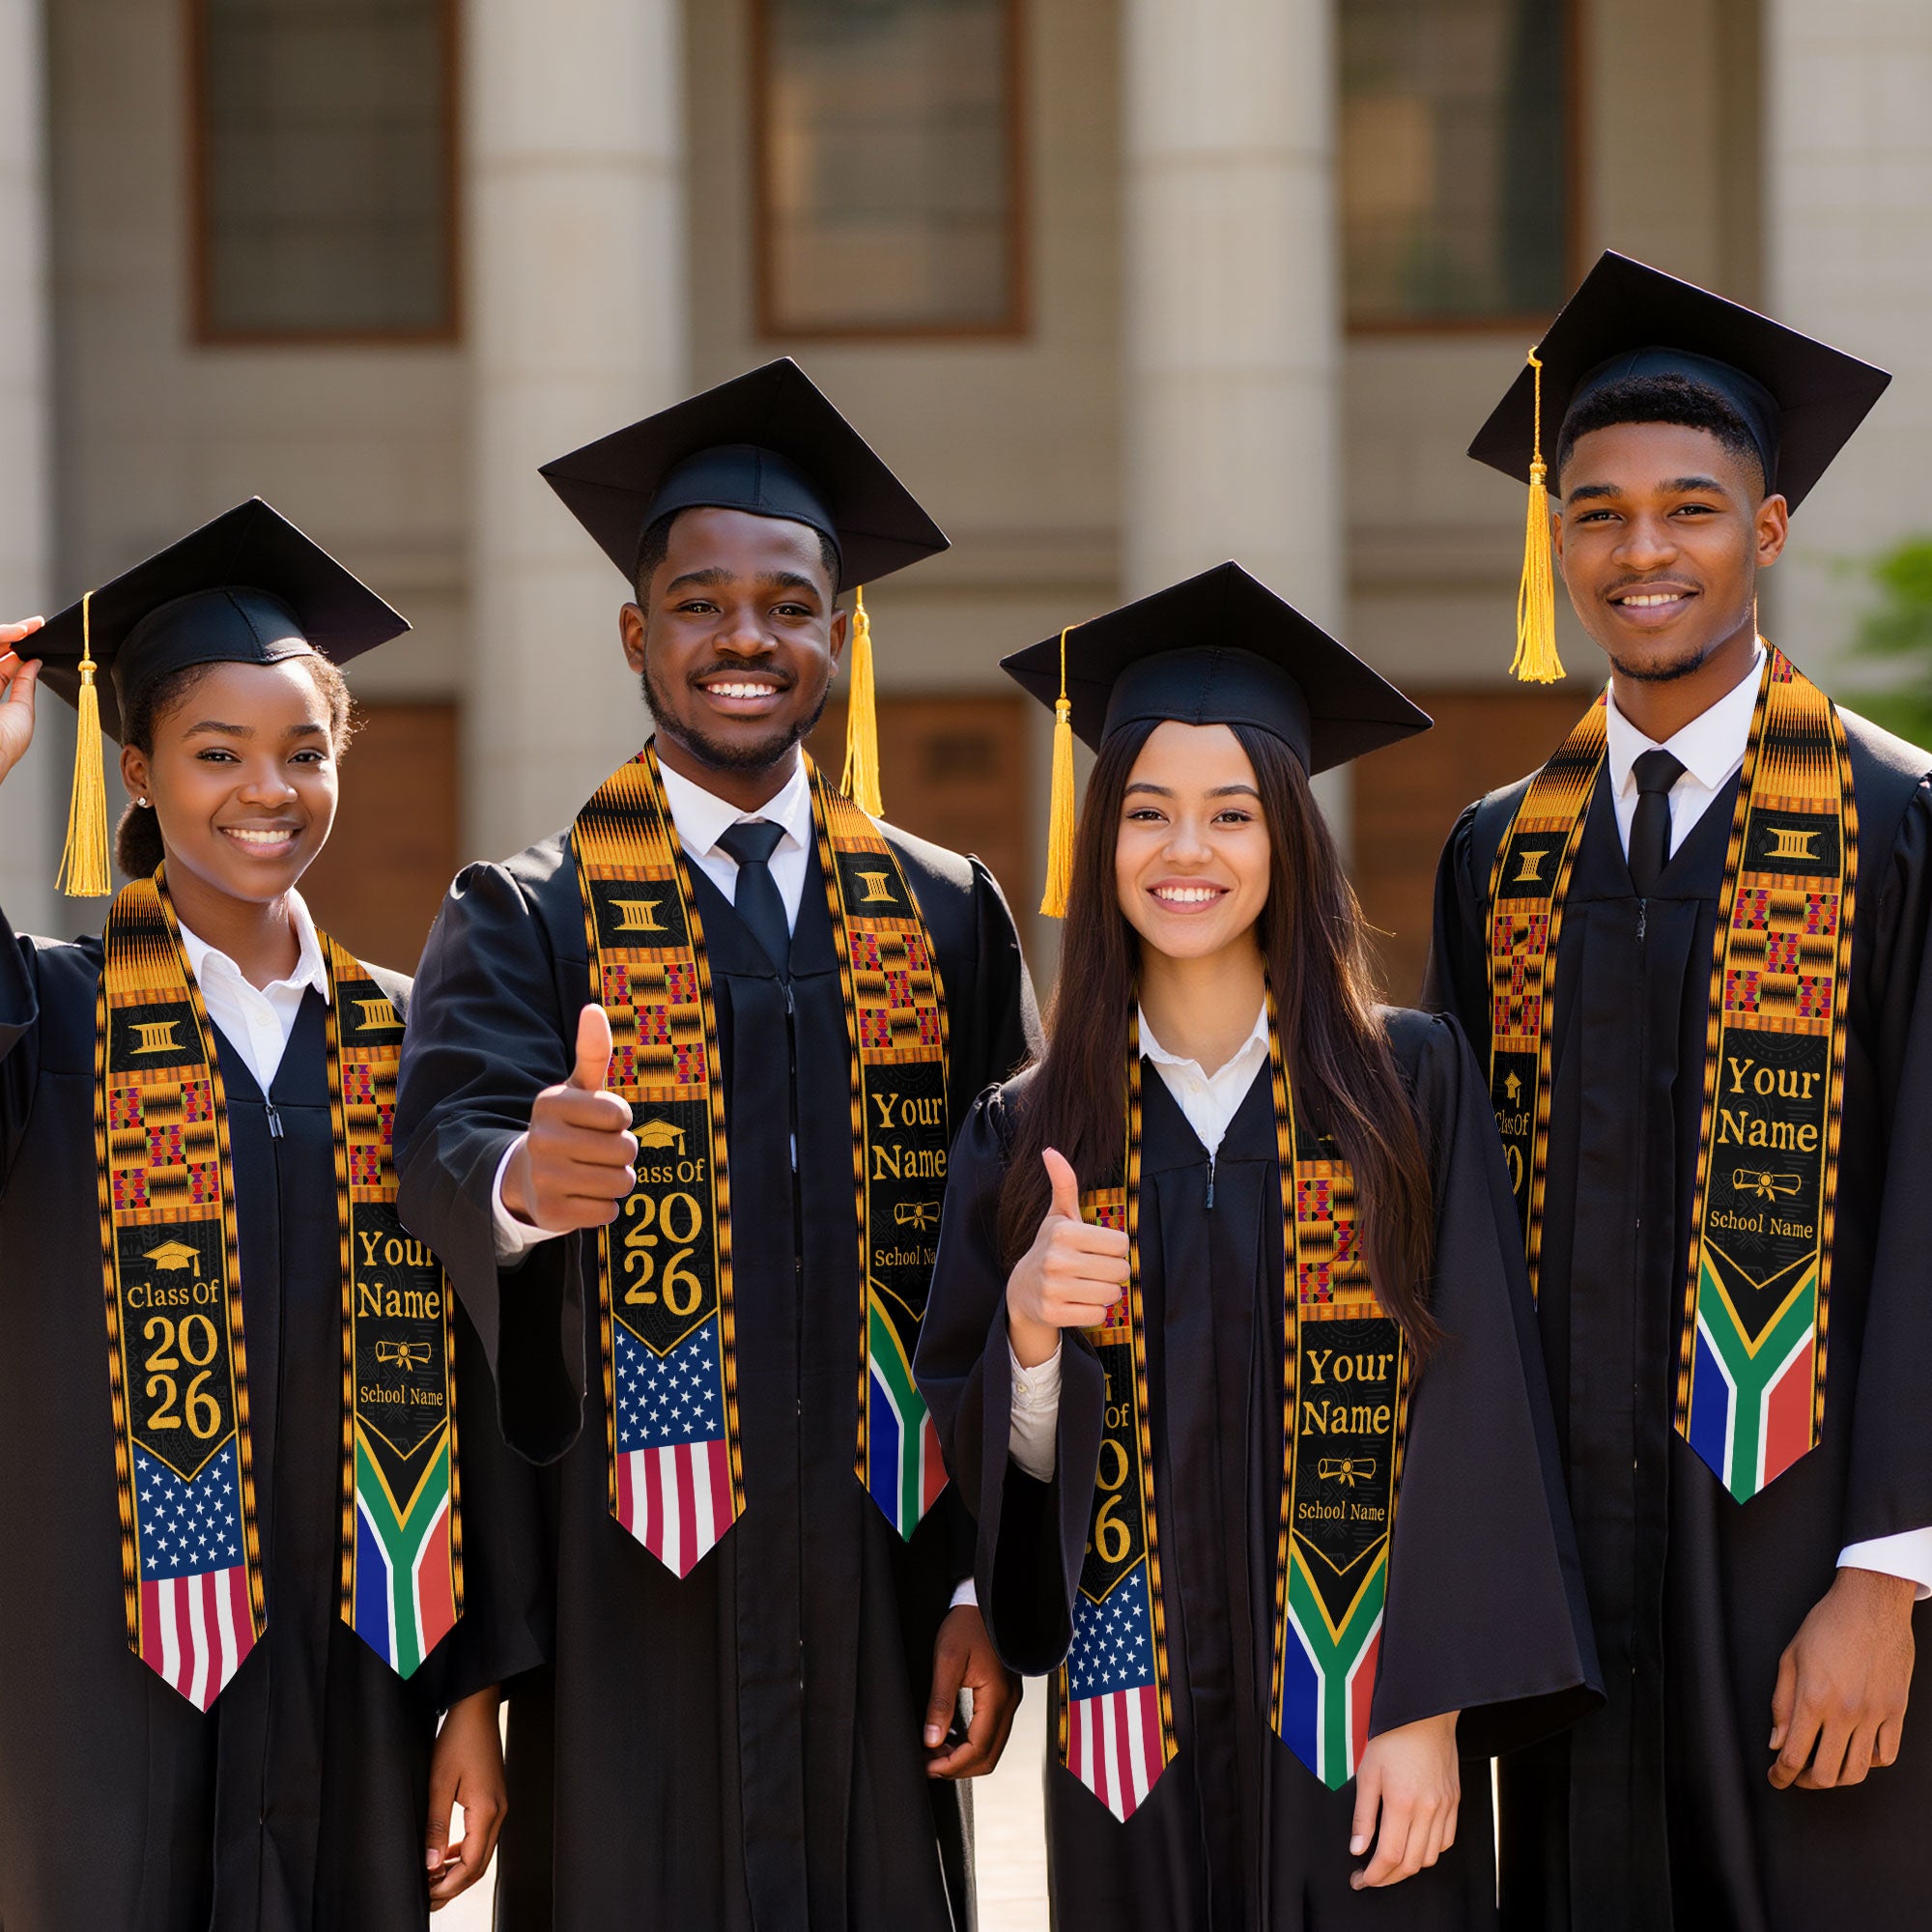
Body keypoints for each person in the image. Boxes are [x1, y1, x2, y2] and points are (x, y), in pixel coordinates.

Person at [392, 358, 1039, 1929]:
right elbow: (437, 1158)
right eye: (698, 603)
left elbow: (1014, 1255)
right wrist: (523, 1183)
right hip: (632, 1601)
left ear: (840, 633)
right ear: (638, 633)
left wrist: (981, 1589)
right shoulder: (530, 914)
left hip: (885, 1585)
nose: (744, 638)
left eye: (788, 603)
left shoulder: (943, 913)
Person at [916, 562, 1599, 1930]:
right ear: (1100, 841)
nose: (1188, 853)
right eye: (1149, 813)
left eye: (1231, 814)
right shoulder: (1030, 1128)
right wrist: (1033, 1340)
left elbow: (1479, 1408)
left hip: (1365, 1729)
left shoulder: (1411, 1090)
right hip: (1130, 1744)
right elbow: (995, 1477)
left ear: (1288, 838)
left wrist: (1429, 1704)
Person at [1426, 250, 1932, 1931]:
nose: (1643, 551)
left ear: (1768, 531)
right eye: (1598, 511)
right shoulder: (1502, 855)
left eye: (1692, 508)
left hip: (1808, 1555)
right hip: (1568, 1568)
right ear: (1555, 539)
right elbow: (1453, 1235)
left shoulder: (1899, 823)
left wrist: (1890, 1572)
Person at [0, 498, 546, 1930]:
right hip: (92, 1682)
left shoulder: (413, 1043)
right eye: (217, 754)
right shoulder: (51, 1019)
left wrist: (475, 1699)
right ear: (135, 770)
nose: (268, 790)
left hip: (357, 1667)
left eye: (305, 753)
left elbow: (487, 1383)